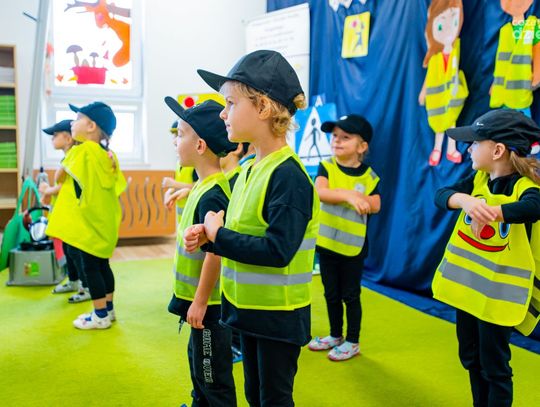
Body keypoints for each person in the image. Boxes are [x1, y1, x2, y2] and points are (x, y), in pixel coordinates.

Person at [186, 49, 319, 407]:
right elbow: (243, 231)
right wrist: (209, 236)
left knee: (273, 398)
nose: (223, 113)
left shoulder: (288, 176)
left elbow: (277, 250)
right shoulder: (247, 169)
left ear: (262, 108)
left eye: (230, 103)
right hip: (248, 311)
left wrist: (218, 235)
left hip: (278, 317)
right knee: (254, 394)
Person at [433, 109, 540, 407]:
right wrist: (463, 200)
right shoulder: (477, 180)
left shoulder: (525, 187)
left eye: (475, 143)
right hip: (470, 293)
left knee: (495, 367)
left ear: (497, 150)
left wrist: (494, 212)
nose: (468, 149)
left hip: (498, 298)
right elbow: (441, 195)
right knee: (471, 358)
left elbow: (534, 206)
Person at [164, 96, 237, 407]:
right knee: (198, 363)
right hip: (200, 303)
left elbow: (215, 253)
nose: (175, 141)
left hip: (210, 307)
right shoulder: (204, 187)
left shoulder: (213, 195)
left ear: (200, 145)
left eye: (180, 134)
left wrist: (201, 301)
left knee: (212, 374)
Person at [46, 101, 127, 330]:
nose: (72, 123)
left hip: (87, 225)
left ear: (91, 126)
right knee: (103, 266)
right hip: (105, 222)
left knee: (90, 269)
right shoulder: (109, 154)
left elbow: (59, 177)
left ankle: (99, 315)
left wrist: (68, 157)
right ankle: (109, 310)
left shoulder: (80, 151)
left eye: (77, 119)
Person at [308, 114, 381, 361]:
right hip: (327, 244)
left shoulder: (370, 176)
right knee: (331, 294)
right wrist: (350, 196)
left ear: (362, 146)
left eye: (345, 137)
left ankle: (352, 341)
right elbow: (321, 192)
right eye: (335, 136)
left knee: (350, 295)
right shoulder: (326, 166)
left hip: (353, 248)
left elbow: (376, 204)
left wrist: (361, 199)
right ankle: (335, 335)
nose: (337, 141)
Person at [39, 120, 90, 301]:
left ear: (68, 139)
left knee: (75, 251)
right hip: (66, 212)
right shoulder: (67, 158)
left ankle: (86, 287)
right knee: (68, 249)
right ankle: (74, 281)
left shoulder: (74, 158)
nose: (52, 139)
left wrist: (47, 190)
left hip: (75, 213)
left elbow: (63, 187)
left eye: (55, 136)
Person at [418, 0, 468, 166]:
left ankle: (451, 148)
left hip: (451, 94)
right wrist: (424, 91)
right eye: (440, 25)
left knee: (451, 119)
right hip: (437, 98)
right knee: (439, 122)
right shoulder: (435, 56)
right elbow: (430, 74)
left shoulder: (455, 50)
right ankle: (437, 148)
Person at [163, 119, 198, 218]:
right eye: (174, 136)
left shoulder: (194, 163)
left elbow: (199, 186)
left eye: (179, 135)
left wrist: (174, 184)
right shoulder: (179, 163)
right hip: (181, 215)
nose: (175, 141)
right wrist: (170, 191)